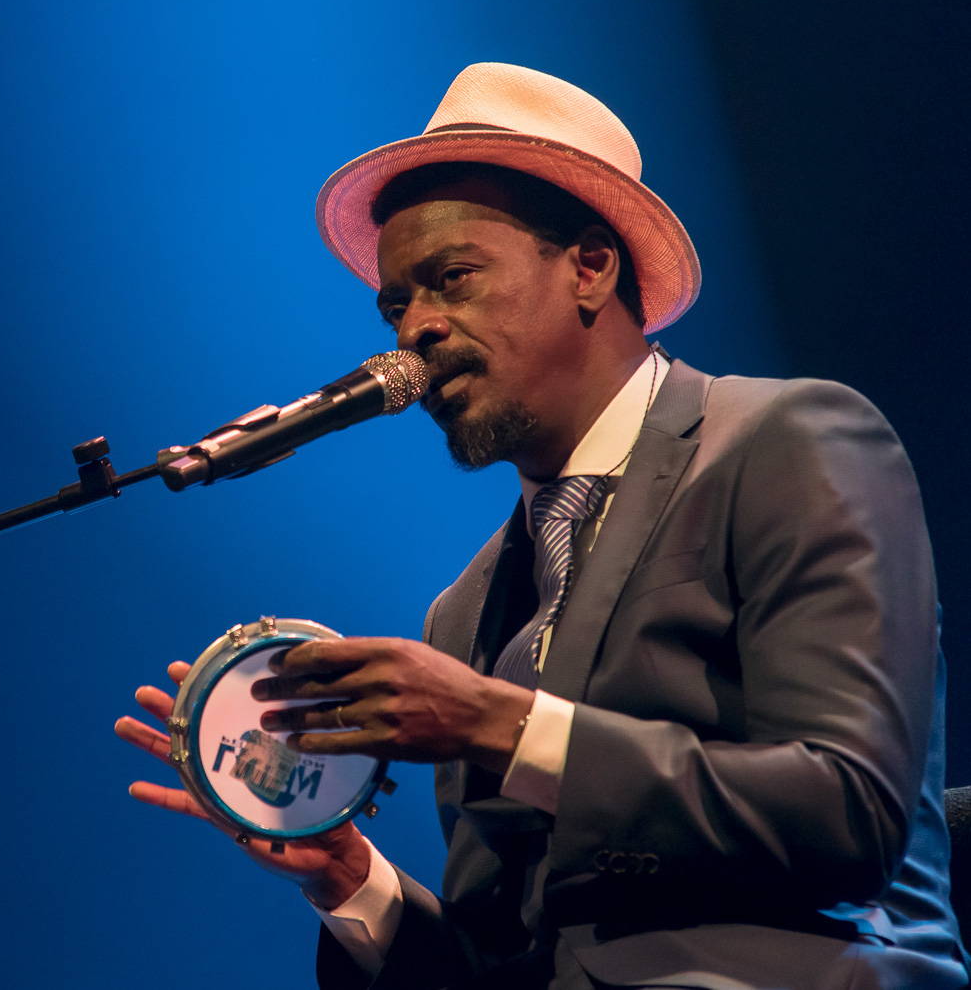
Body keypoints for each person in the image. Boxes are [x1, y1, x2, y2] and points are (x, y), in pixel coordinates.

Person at [116, 63, 968, 989]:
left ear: (590, 267)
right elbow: (513, 959)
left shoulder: (786, 439)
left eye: (452, 279)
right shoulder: (466, 610)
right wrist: (353, 884)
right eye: (396, 305)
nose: (415, 331)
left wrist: (502, 724)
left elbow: (853, 814)